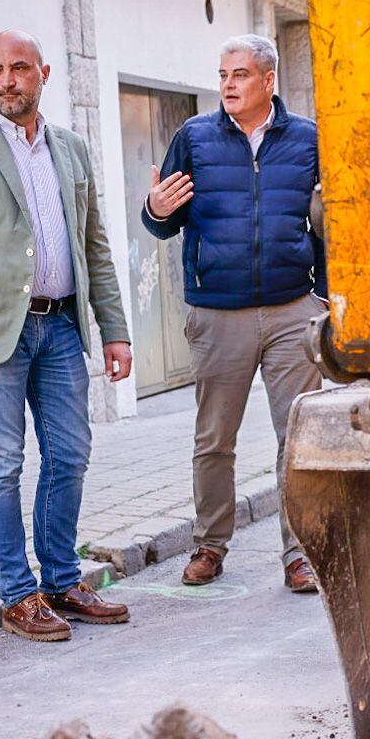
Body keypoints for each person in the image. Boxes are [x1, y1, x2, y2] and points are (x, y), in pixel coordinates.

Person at [0, 30, 133, 642]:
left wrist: (113, 329)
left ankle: (62, 579)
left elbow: (94, 245)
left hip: (61, 323)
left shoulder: (69, 149)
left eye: (18, 69)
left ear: (43, 75)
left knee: (70, 454)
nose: (6, 80)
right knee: (2, 462)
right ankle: (17, 593)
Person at [141, 34, 324, 594]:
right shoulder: (193, 139)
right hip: (218, 313)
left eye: (239, 75)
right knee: (214, 439)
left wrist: (327, 296)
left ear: (268, 81)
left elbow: (330, 223)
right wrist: (154, 209)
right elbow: (162, 222)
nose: (227, 85)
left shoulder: (309, 139)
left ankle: (300, 554)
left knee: (297, 437)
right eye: (222, 75)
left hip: (293, 308)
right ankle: (210, 544)